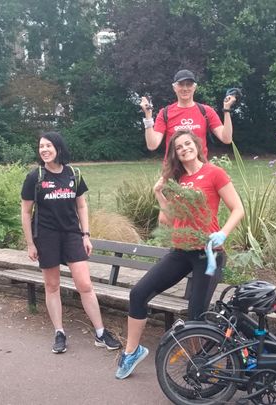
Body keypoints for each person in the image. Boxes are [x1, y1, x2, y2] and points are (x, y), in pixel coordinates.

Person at [115, 129, 244, 380]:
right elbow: (167, 220)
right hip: (180, 251)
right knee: (138, 293)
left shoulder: (214, 173)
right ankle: (132, 351)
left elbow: (238, 209)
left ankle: (203, 365)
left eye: (188, 144)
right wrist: (159, 193)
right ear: (175, 154)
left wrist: (224, 234)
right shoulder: (177, 181)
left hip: (208, 253)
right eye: (179, 147)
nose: (184, 148)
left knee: (196, 315)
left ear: (196, 145)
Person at [20, 132, 121, 354]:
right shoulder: (35, 177)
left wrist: (86, 234)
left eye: (48, 146)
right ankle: (59, 332)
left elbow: (82, 206)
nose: (44, 150)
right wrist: (30, 243)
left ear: (58, 148)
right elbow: (26, 212)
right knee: (52, 285)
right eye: (41, 147)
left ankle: (101, 332)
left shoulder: (73, 174)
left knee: (85, 284)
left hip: (72, 235)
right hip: (46, 236)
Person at [140, 69, 237, 158]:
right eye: (181, 84)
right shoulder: (165, 113)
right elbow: (152, 145)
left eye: (189, 84)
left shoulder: (206, 110)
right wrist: (148, 116)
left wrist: (227, 110)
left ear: (194, 88)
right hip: (174, 171)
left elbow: (226, 139)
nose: (185, 88)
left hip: (200, 169)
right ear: (174, 88)